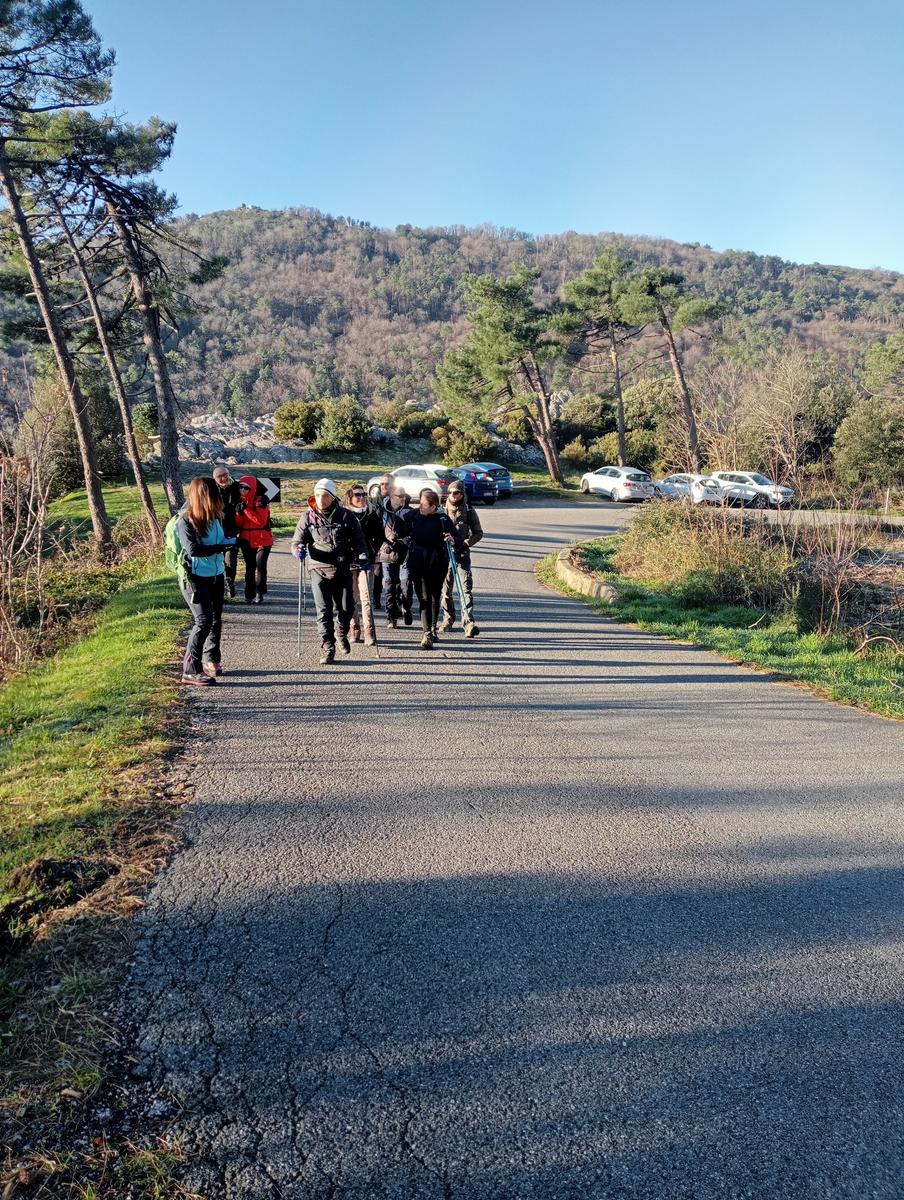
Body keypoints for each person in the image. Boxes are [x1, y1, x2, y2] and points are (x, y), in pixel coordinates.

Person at [291, 478, 369, 664]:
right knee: (323, 610)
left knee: (347, 607)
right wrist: (298, 550)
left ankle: (341, 632)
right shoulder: (307, 517)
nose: (320, 499)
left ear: (332, 497)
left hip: (342, 568)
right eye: (317, 495)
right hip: (318, 568)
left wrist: (363, 556)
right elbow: (296, 541)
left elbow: (358, 540)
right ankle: (328, 646)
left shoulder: (345, 516)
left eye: (325, 495)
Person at [176, 477, 235, 686]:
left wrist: (231, 542)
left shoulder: (215, 518)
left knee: (215, 619)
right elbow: (192, 550)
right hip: (193, 578)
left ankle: (211, 660)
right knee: (203, 621)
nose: (218, 498)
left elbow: (219, 541)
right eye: (214, 494)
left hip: (215, 574)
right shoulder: (185, 521)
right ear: (204, 496)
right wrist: (220, 548)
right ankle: (190, 669)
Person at [406, 488, 461, 649]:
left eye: (423, 504)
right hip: (417, 562)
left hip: (437, 562)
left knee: (434, 596)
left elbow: (457, 538)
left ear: (434, 506)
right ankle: (427, 632)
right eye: (420, 503)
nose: (420, 506)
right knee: (423, 597)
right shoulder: (412, 517)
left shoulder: (442, 518)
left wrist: (452, 539)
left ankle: (432, 629)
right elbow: (398, 529)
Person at [440, 479, 483, 637]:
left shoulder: (469, 511)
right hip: (445, 556)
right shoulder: (441, 512)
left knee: (465, 589)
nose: (453, 495)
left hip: (462, 555)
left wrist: (466, 543)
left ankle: (468, 623)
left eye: (456, 492)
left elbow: (478, 533)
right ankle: (448, 619)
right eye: (450, 492)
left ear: (462, 494)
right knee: (446, 591)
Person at [344, 482, 383, 645]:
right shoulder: (344, 515)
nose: (362, 498)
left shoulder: (371, 514)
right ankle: (355, 627)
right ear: (350, 498)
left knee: (366, 597)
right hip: (349, 561)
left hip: (367, 561)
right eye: (358, 495)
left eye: (364, 495)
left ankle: (369, 630)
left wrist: (371, 552)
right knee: (352, 598)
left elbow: (380, 536)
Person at [377, 482, 414, 629]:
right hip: (387, 553)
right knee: (389, 585)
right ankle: (391, 616)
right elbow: (377, 532)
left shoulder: (410, 512)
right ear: (391, 497)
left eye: (404, 495)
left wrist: (404, 541)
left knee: (405, 585)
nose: (403, 498)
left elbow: (414, 533)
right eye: (400, 496)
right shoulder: (381, 512)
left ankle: (406, 606)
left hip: (405, 553)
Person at [234, 475, 274, 604]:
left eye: (246, 487)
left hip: (263, 539)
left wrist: (245, 510)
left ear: (253, 488)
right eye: (241, 487)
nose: (243, 490)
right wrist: (238, 513)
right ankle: (248, 594)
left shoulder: (261, 501)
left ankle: (260, 592)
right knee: (250, 567)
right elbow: (239, 525)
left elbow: (260, 521)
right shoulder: (239, 501)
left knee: (261, 566)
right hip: (246, 538)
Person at [212, 465, 242, 597]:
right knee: (216, 560)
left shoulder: (237, 487)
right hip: (214, 531)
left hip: (230, 530)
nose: (224, 478)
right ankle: (217, 588)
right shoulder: (211, 490)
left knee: (231, 559)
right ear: (215, 478)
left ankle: (230, 582)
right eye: (220, 476)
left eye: (225, 474)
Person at [369, 473, 393, 609]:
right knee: (378, 572)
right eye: (382, 484)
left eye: (387, 484)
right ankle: (376, 599)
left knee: (393, 576)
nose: (384, 486)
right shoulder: (374, 501)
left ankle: (395, 602)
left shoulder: (401, 499)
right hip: (378, 540)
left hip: (393, 541)